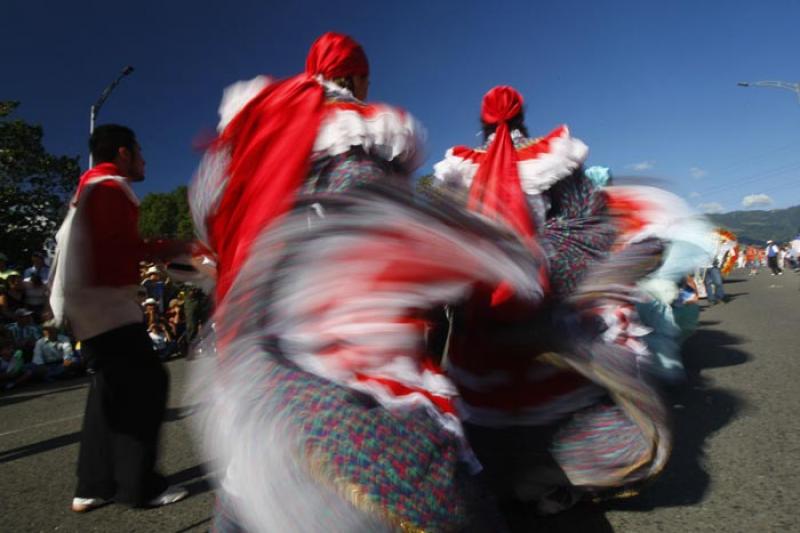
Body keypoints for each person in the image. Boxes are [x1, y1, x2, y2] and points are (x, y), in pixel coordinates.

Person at [189, 33, 537, 532]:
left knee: (255, 455)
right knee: (401, 459)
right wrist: (469, 251)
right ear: (353, 77)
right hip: (342, 320)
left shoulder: (259, 134)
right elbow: (373, 223)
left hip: (260, 322)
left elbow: (216, 221)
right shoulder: (356, 135)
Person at [433, 86, 675, 519]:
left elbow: (444, 235)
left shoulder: (458, 170)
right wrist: (544, 268)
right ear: (523, 116)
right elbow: (591, 226)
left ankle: (506, 484)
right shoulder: (553, 161)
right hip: (548, 305)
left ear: (483, 123)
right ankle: (559, 482)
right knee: (559, 399)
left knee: (492, 403)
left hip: (482, 312)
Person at [49, 124, 191, 512]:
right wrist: (172, 248)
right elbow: (118, 252)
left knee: (108, 395)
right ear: (124, 153)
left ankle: (92, 484)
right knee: (148, 386)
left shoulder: (87, 190)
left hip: (89, 311)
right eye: (140, 151)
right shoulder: (109, 188)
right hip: (107, 308)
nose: (145, 160)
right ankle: (139, 487)